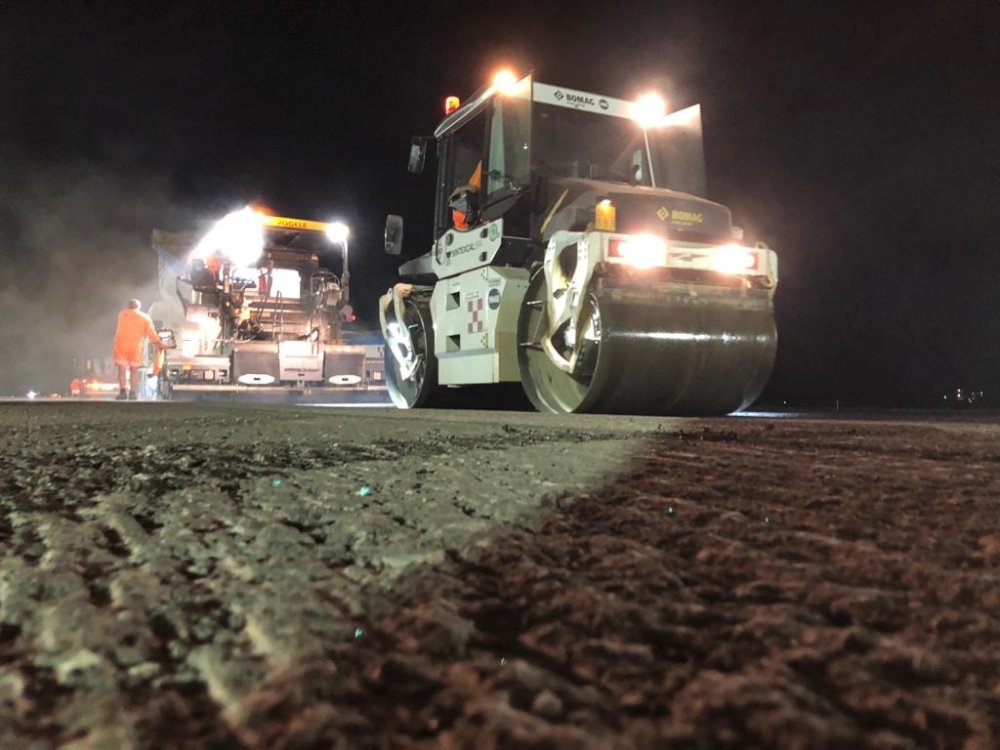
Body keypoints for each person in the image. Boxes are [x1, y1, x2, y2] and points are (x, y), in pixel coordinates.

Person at [112, 299, 166, 400]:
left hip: (121, 345)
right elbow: (151, 333)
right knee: (134, 370)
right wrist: (159, 343)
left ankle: (123, 392)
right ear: (139, 307)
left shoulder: (122, 314)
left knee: (122, 370)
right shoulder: (145, 318)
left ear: (129, 306)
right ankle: (132, 393)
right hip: (136, 346)